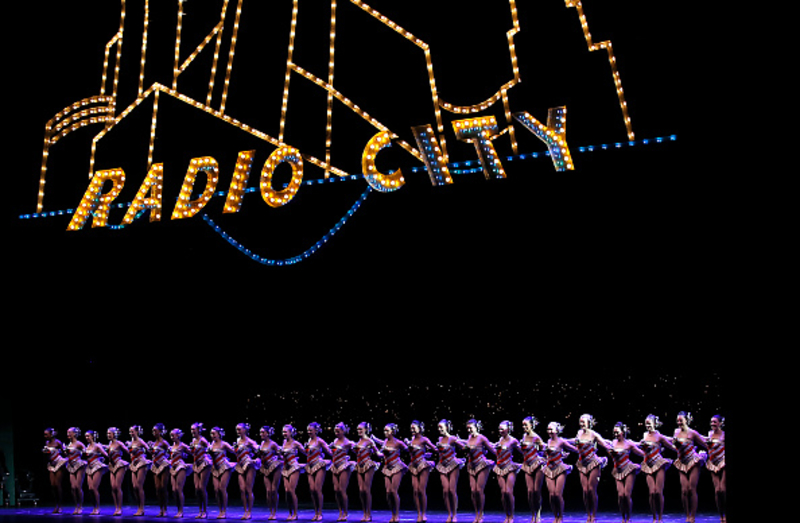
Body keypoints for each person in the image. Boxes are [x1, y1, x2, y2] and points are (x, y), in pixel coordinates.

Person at [637, 414, 676, 523]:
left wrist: (682, 449)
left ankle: (660, 518)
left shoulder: (659, 436)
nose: (647, 425)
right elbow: (639, 445)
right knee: (652, 493)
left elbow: (671, 446)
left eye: (649, 423)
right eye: (646, 423)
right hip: (648, 465)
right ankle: (654, 517)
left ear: (655, 424)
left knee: (658, 492)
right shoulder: (644, 435)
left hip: (658, 464)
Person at [569, 414, 608, 523]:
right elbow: (575, 441)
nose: (582, 424)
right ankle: (588, 514)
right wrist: (564, 441)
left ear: (589, 423)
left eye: (583, 422)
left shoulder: (594, 435)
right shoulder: (579, 433)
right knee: (585, 491)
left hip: (593, 463)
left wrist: (615, 447)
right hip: (582, 464)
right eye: (580, 422)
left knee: (591, 489)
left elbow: (604, 444)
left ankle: (594, 515)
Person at [603, 423, 643, 523]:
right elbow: (606, 447)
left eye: (617, 432)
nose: (615, 434)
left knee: (626, 495)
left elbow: (640, 452)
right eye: (614, 432)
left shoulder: (629, 443)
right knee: (621, 495)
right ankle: (623, 517)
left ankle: (628, 518)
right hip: (618, 470)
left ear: (623, 432)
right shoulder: (613, 443)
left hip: (629, 469)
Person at [672, 412, 708, 523]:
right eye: (677, 421)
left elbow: (705, 444)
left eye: (681, 420)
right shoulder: (676, 432)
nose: (679, 423)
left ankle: (693, 516)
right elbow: (675, 447)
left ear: (686, 420)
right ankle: (687, 515)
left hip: (693, 462)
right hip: (682, 462)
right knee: (684, 490)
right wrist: (676, 445)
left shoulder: (693, 433)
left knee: (691, 489)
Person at [543, 422, 577, 523]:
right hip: (549, 468)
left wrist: (584, 450)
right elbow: (547, 454)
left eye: (551, 429)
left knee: (557, 494)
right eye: (548, 429)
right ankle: (555, 516)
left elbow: (574, 449)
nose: (549, 432)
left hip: (560, 469)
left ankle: (560, 517)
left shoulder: (561, 441)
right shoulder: (548, 442)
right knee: (552, 495)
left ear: (557, 431)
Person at [463, 419, 496, 523]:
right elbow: (466, 444)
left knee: (479, 490)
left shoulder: (482, 438)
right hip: (471, 466)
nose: (469, 430)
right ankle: (476, 513)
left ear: (476, 427)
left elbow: (492, 449)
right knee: (473, 491)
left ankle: (481, 515)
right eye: (467, 428)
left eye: (470, 428)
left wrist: (502, 455)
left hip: (482, 465)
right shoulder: (469, 438)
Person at [375, 423, 408, 523]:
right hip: (387, 468)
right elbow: (380, 455)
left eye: (387, 430)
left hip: (397, 467)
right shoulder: (385, 442)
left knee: (393, 491)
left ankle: (397, 514)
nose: (385, 433)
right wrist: (375, 448)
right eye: (384, 431)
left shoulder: (398, 443)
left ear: (392, 432)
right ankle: (392, 514)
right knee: (388, 493)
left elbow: (408, 450)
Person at [406, 421, 436, 523]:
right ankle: (419, 513)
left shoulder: (424, 439)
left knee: (421, 490)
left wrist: (427, 454)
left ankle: (424, 514)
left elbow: (435, 449)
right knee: (415, 490)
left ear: (420, 429)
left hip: (422, 465)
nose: (412, 430)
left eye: (414, 428)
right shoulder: (411, 440)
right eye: (411, 428)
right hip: (413, 466)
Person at [435, 420, 465, 523]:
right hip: (442, 465)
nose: (439, 430)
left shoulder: (452, 438)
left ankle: (455, 514)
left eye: (441, 428)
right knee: (445, 491)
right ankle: (449, 514)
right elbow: (436, 450)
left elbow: (463, 446)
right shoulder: (439, 439)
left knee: (452, 490)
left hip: (453, 465)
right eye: (438, 428)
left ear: (447, 428)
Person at [493, 421, 521, 523]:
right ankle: (507, 515)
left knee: (508, 492)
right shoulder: (500, 440)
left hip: (509, 467)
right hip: (499, 468)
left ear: (508, 429)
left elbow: (522, 450)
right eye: (499, 429)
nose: (500, 431)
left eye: (502, 429)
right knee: (503, 492)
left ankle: (512, 516)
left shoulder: (513, 440)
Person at [519, 417, 545, 523]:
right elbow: (523, 451)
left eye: (526, 425)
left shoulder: (536, 437)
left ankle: (538, 514)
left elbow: (543, 450)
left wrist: (540, 459)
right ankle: (533, 514)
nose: (524, 427)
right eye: (523, 425)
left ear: (531, 425)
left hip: (537, 465)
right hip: (527, 465)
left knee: (536, 491)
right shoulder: (524, 436)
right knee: (530, 491)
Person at [354, 422, 380, 522]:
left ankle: (368, 514)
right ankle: (364, 513)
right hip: (359, 465)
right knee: (361, 490)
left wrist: (389, 452)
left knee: (366, 489)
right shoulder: (358, 442)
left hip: (368, 465)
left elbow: (377, 452)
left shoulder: (369, 441)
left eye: (361, 429)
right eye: (358, 430)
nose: (359, 431)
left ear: (366, 430)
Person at [306, 422, 332, 522]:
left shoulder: (320, 441)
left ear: (316, 431)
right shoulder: (309, 441)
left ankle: (320, 513)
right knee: (312, 490)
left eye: (310, 430)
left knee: (317, 489)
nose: (309, 432)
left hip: (319, 465)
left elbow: (329, 451)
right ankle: (316, 512)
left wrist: (338, 451)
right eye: (308, 430)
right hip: (310, 466)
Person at [235, 423, 262, 520]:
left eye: (239, 429)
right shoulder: (237, 441)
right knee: (242, 489)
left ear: (245, 430)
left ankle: (249, 511)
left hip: (249, 465)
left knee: (248, 489)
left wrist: (255, 459)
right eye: (237, 430)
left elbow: (259, 450)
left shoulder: (250, 441)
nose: (238, 431)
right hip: (240, 465)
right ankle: (245, 511)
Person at [329, 422, 356, 522]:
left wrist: (354, 446)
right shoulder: (335, 441)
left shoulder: (347, 442)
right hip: (335, 466)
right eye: (335, 430)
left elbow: (355, 448)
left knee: (342, 489)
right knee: (336, 490)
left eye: (339, 430)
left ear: (344, 431)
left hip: (344, 466)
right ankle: (340, 511)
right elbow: (330, 450)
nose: (337, 432)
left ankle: (345, 512)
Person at [209, 426, 236, 519]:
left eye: (214, 434)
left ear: (219, 434)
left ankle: (224, 511)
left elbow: (234, 451)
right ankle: (220, 510)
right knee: (216, 490)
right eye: (211, 434)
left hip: (224, 467)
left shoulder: (224, 444)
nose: (212, 436)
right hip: (215, 468)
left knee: (222, 488)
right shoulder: (211, 445)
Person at [281, 424, 306, 521]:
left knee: (291, 490)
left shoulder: (296, 443)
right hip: (285, 468)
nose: (284, 434)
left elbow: (305, 452)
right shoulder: (283, 443)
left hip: (293, 467)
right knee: (287, 492)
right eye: (283, 432)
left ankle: (295, 513)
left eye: (285, 432)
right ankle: (290, 512)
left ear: (291, 433)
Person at [259, 425, 284, 520]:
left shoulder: (273, 444)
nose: (261, 434)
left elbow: (280, 454)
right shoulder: (261, 444)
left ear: (268, 433)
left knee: (274, 490)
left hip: (275, 467)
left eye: (263, 432)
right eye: (260, 432)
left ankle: (275, 512)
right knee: (268, 491)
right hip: (265, 468)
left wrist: (282, 459)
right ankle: (271, 511)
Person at [705, 415, 726, 523]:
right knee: (717, 491)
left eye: (715, 422)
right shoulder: (709, 434)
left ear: (720, 423)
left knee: (723, 490)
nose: (712, 424)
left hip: (723, 463)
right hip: (713, 464)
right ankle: (721, 515)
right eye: (711, 422)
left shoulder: (724, 435)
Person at [190, 422, 213, 520]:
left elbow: (210, 449)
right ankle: (200, 510)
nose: (192, 431)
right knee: (197, 488)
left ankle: (205, 511)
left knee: (202, 487)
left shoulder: (203, 440)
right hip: (196, 464)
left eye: (194, 429)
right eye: (191, 430)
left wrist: (209, 457)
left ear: (199, 430)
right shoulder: (193, 440)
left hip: (204, 464)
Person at [169, 428, 193, 518]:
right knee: (174, 490)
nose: (171, 437)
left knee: (179, 489)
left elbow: (192, 452)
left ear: (178, 436)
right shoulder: (171, 446)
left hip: (180, 466)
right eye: (171, 435)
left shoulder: (182, 445)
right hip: (173, 467)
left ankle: (181, 511)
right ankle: (178, 509)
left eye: (173, 435)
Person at [43, 428, 67, 514]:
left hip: (59, 463)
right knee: (53, 485)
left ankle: (60, 505)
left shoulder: (58, 442)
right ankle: (56, 504)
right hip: (51, 464)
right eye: (44, 434)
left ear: (51, 434)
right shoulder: (47, 443)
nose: (45, 436)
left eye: (46, 434)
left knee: (57, 484)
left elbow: (64, 452)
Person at [84, 430, 108, 516]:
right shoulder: (87, 447)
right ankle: (94, 507)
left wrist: (101, 458)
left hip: (97, 467)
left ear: (93, 436)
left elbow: (106, 454)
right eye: (86, 436)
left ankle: (97, 508)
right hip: (89, 467)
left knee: (94, 488)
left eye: (88, 436)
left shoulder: (97, 446)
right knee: (90, 489)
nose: (87, 438)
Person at [128, 425, 151, 517]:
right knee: (134, 487)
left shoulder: (140, 441)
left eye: (132, 431)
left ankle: (142, 508)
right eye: (130, 432)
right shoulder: (130, 443)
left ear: (137, 432)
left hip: (141, 463)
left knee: (139, 485)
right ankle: (138, 507)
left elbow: (149, 450)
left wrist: (151, 447)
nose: (131, 433)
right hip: (133, 464)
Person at [150, 423, 172, 517]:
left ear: (160, 432)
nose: (153, 432)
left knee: (163, 487)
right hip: (155, 466)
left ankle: (165, 509)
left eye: (155, 431)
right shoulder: (153, 443)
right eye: (153, 431)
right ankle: (161, 508)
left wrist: (168, 459)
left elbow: (171, 452)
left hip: (164, 465)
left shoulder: (164, 442)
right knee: (158, 488)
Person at [106, 427, 129, 517]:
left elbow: (127, 451)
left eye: (109, 434)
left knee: (117, 486)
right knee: (113, 487)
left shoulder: (119, 443)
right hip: (112, 466)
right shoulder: (110, 444)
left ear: (114, 434)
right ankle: (116, 507)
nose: (108, 435)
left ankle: (120, 508)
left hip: (119, 464)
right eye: (107, 434)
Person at [65, 427, 87, 515]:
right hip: (71, 465)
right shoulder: (68, 445)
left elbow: (86, 452)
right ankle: (76, 506)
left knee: (78, 487)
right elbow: (67, 455)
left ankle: (81, 506)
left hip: (79, 465)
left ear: (74, 434)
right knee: (73, 488)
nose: (68, 434)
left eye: (69, 432)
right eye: (67, 432)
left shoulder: (79, 444)